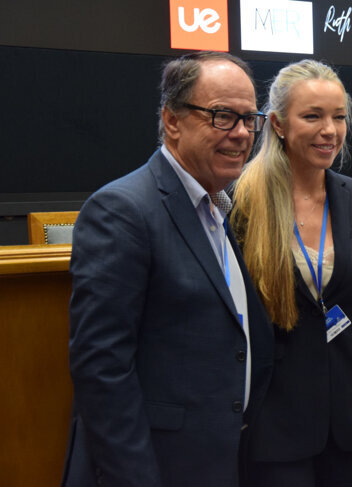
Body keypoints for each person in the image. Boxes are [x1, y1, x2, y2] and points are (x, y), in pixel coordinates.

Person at [63, 51, 274, 486]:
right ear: (172, 120)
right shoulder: (121, 211)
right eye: (221, 116)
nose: (240, 134)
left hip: (223, 462)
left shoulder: (218, 208)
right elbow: (101, 371)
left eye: (249, 118)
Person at [233, 59, 352, 487]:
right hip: (277, 418)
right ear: (279, 125)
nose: (330, 130)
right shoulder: (240, 200)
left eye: (339, 117)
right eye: (313, 116)